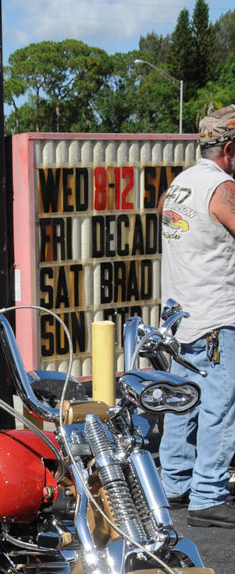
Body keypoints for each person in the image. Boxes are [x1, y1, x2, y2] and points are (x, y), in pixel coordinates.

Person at [159, 105, 235, 528]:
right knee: (219, 406)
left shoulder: (180, 184)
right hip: (216, 317)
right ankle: (208, 494)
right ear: (229, 149)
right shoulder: (223, 188)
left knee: (182, 402)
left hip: (180, 318)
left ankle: (175, 484)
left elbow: (165, 212)